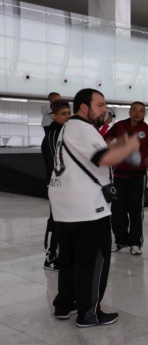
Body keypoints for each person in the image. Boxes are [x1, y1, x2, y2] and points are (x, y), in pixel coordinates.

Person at [49, 88, 140, 327]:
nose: (104, 109)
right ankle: (89, 313)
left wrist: (114, 144)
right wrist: (130, 147)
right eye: (100, 105)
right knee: (92, 261)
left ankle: (65, 304)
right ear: (84, 108)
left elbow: (93, 154)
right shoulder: (83, 128)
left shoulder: (69, 127)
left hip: (64, 206)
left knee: (69, 258)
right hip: (87, 208)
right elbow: (104, 159)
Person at [104, 101, 148, 255]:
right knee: (117, 211)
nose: (137, 113)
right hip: (119, 176)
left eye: (141, 111)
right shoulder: (119, 126)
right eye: (134, 110)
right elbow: (105, 139)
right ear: (130, 112)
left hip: (138, 177)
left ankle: (135, 243)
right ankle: (120, 240)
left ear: (144, 114)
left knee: (135, 211)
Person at [41, 99, 71, 272]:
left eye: (68, 113)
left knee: (67, 220)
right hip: (58, 186)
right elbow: (57, 165)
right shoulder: (53, 135)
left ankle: (63, 254)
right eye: (63, 114)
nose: (67, 117)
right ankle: (50, 257)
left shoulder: (66, 132)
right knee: (55, 220)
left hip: (69, 185)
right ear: (54, 116)